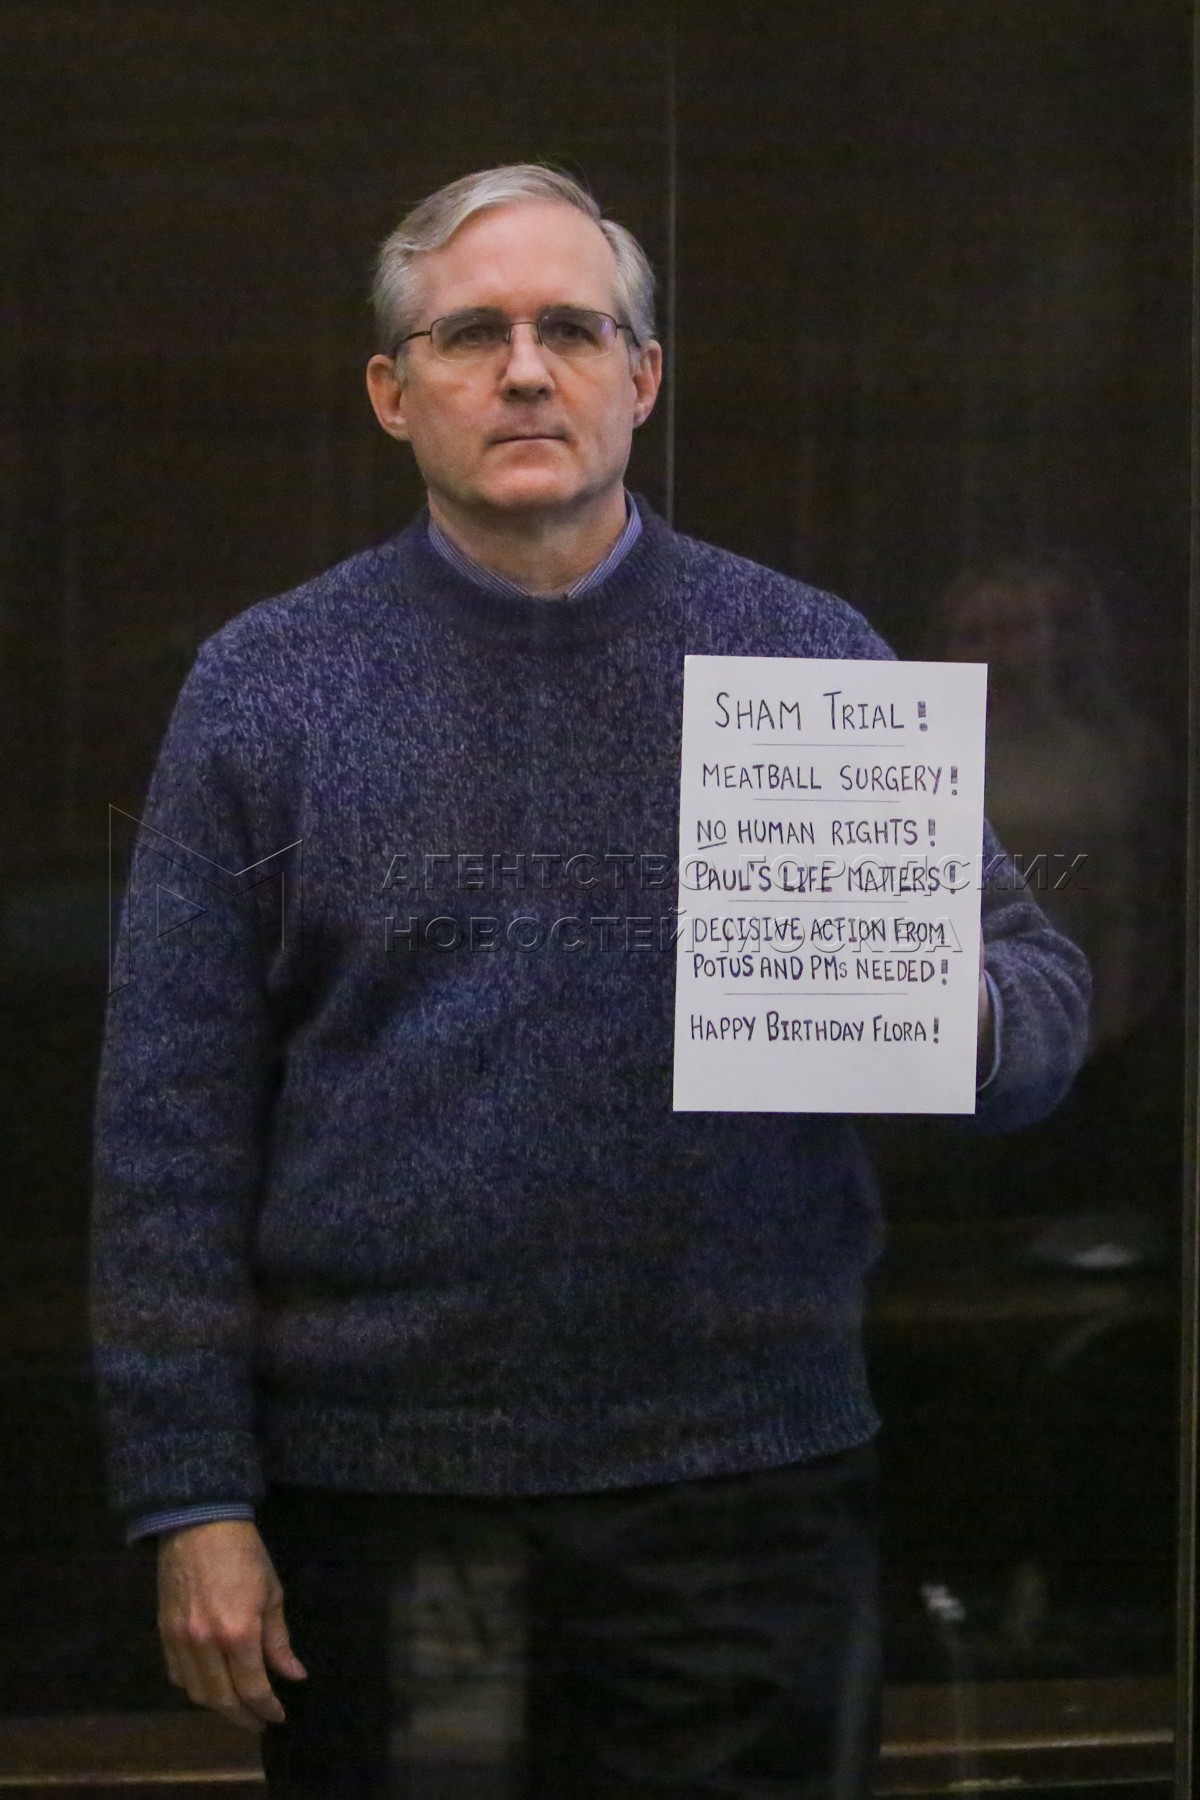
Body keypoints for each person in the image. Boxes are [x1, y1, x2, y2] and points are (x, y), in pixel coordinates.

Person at [91, 163, 1091, 1797]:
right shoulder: (268, 687)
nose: (526, 370)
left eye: (571, 328)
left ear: (643, 377)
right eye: (471, 333)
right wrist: (191, 1494)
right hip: (399, 1504)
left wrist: (929, 1006)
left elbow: (1038, 1004)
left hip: (740, 1495)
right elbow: (166, 1126)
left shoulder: (804, 657)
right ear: (392, 391)